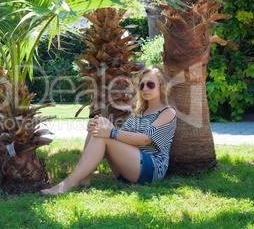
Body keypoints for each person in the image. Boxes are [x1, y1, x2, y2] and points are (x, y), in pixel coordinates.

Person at [41, 65, 177, 195]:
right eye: (142, 85)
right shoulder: (139, 112)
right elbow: (123, 136)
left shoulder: (167, 112)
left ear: (162, 86)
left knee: (105, 132)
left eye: (150, 84)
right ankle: (84, 177)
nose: (145, 88)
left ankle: (69, 184)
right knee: (99, 123)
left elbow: (145, 139)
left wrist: (111, 132)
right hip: (128, 168)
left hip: (150, 171)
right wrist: (98, 127)